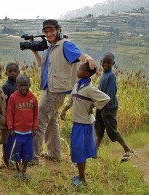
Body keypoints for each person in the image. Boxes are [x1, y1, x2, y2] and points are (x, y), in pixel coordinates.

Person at [30, 19, 97, 164]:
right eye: (46, 32)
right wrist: (34, 51)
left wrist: (88, 58)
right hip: (49, 88)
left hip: (55, 90)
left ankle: (32, 157)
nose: (49, 34)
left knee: (40, 120)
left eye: (52, 31)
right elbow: (42, 64)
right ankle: (54, 154)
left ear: (58, 30)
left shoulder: (65, 45)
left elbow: (79, 55)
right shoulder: (51, 47)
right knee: (52, 121)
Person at [60, 62, 110, 186]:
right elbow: (72, 99)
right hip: (77, 123)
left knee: (79, 151)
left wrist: (93, 105)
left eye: (80, 69)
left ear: (86, 74)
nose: (77, 70)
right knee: (79, 151)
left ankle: (82, 179)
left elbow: (105, 98)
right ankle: (80, 176)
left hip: (84, 125)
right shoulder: (77, 84)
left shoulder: (90, 88)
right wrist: (65, 109)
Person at [95, 52, 133, 162]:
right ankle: (94, 151)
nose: (106, 64)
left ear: (113, 63)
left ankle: (127, 149)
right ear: (101, 62)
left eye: (108, 63)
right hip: (101, 106)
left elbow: (110, 95)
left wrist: (99, 104)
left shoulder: (111, 76)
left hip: (108, 107)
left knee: (111, 130)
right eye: (104, 62)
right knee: (99, 129)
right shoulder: (103, 73)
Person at [6, 74, 38, 180]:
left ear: (29, 84)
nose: (23, 88)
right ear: (16, 85)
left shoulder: (33, 98)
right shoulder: (13, 97)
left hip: (28, 133)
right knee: (16, 153)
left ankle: (24, 172)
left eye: (26, 85)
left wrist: (34, 127)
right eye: (20, 85)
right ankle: (19, 172)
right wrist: (10, 127)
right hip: (16, 132)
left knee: (27, 154)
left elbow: (36, 115)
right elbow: (9, 113)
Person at [2, 62, 20, 169]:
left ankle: (12, 159)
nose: (13, 73)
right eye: (10, 71)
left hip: (17, 117)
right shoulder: (6, 86)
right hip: (9, 117)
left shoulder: (19, 84)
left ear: (18, 72)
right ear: (6, 73)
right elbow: (4, 103)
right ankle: (6, 161)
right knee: (7, 140)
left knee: (15, 139)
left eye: (15, 71)